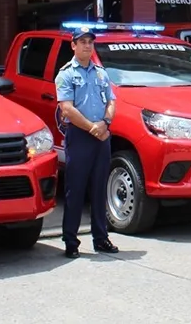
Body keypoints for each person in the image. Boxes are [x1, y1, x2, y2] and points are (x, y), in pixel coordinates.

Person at [55, 25, 119, 258]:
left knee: (100, 188)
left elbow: (111, 101)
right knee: (76, 190)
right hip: (81, 136)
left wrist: (105, 122)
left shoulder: (101, 73)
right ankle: (71, 241)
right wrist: (92, 128)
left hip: (101, 135)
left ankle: (101, 239)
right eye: (82, 41)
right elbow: (67, 109)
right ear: (73, 45)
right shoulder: (65, 74)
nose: (87, 45)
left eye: (90, 42)